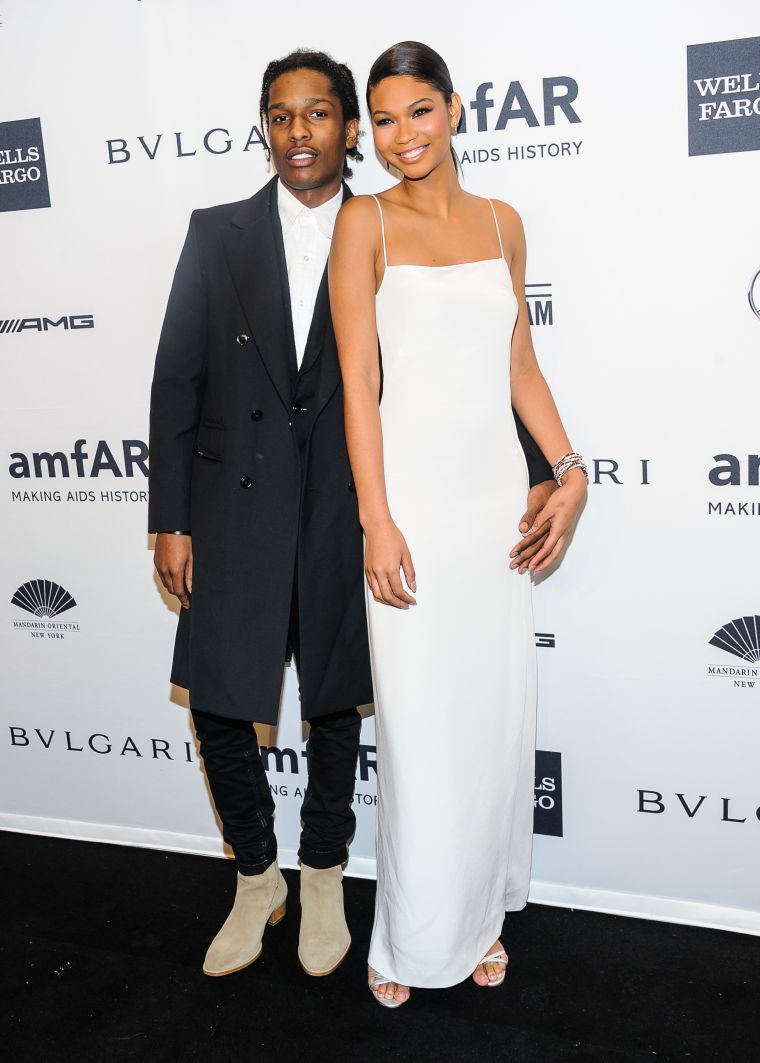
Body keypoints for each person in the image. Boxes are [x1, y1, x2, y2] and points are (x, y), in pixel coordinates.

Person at [149, 48, 555, 984]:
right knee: (219, 699)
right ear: (265, 127)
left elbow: (474, 359)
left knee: (336, 702)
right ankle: (257, 877)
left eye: (321, 115)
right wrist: (170, 516)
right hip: (234, 505)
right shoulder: (215, 233)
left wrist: (546, 466)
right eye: (282, 116)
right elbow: (177, 376)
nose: (302, 132)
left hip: (347, 506)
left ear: (347, 132)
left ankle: (324, 872)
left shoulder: (380, 225)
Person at [329, 41, 587, 1007]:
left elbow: (519, 364)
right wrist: (376, 518)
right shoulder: (366, 224)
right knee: (422, 735)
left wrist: (569, 468)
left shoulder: (503, 222)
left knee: (487, 725)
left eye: (420, 113)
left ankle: (478, 915)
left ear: (455, 109)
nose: (403, 138)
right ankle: (408, 936)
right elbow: (360, 381)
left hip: (491, 513)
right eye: (385, 120)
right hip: (414, 509)